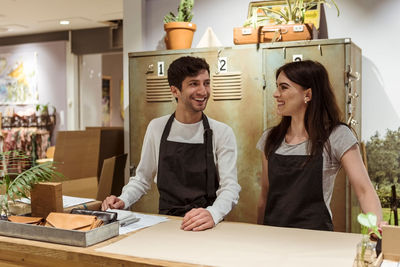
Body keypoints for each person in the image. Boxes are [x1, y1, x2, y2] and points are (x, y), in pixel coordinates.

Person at [102, 56, 241, 231]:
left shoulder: (222, 132)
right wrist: (123, 199)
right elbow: (142, 179)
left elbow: (230, 187)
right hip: (165, 223)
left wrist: (213, 213)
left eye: (206, 83)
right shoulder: (157, 127)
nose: (203, 91)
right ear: (175, 91)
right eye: (193, 84)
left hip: (205, 224)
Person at [256, 60, 383, 231]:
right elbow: (264, 196)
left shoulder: (336, 136)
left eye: (283, 87)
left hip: (317, 241)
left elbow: (364, 191)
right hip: (274, 237)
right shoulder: (270, 139)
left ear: (307, 95)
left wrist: (375, 230)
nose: (276, 94)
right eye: (277, 86)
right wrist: (259, 236)